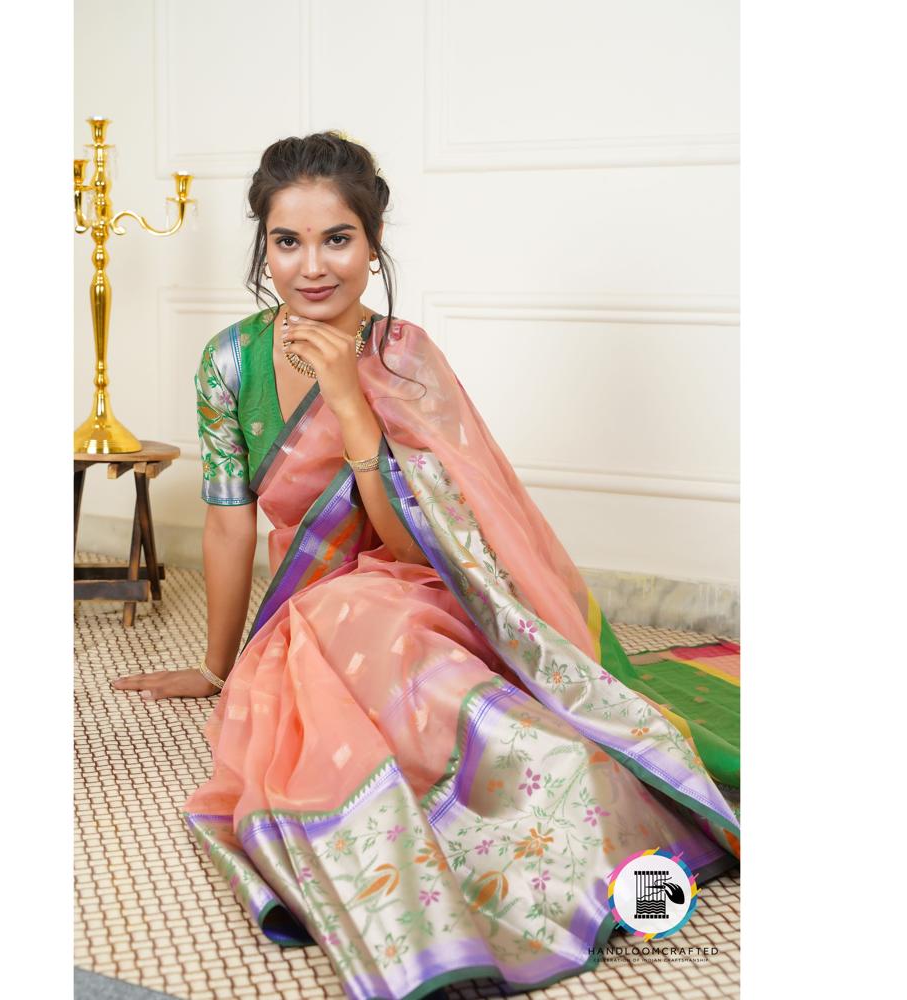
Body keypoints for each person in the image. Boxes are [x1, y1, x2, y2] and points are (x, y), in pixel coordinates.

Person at [112, 131, 740, 999]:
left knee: (416, 652)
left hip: (417, 586)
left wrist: (349, 402)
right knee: (330, 678)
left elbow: (415, 548)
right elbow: (228, 524)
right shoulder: (230, 360)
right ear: (264, 246)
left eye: (338, 238)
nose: (312, 266)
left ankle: (578, 811)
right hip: (311, 608)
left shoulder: (400, 357)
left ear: (373, 244)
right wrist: (219, 669)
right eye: (287, 242)